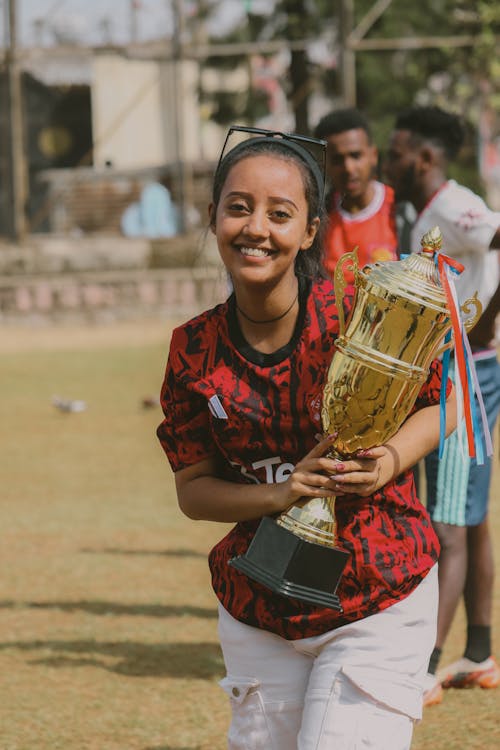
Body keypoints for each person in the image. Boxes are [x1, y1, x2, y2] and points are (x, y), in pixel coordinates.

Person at [157, 126, 456, 749]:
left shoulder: (358, 309)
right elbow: (193, 490)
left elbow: (442, 403)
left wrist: (391, 458)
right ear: (213, 217)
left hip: (379, 592)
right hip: (259, 607)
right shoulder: (193, 350)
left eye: (279, 213)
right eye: (238, 207)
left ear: (311, 231)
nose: (256, 228)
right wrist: (280, 494)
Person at [384, 105, 500, 708]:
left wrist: (485, 323)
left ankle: (421, 667)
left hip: (466, 373)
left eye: (396, 151)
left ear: (423, 159)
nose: (388, 160)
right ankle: (478, 651)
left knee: (446, 520)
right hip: (462, 365)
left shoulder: (454, 206)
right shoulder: (428, 213)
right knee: (471, 516)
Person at [313, 107, 399, 278]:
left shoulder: (402, 213)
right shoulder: (316, 220)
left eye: (356, 156)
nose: (348, 168)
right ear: (324, 165)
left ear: (373, 155)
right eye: (337, 160)